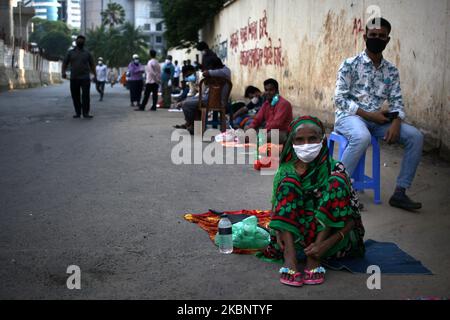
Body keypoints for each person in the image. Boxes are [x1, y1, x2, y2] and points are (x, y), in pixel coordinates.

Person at [260, 116, 365, 287]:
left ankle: (314, 257)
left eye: (312, 139)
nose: (306, 145)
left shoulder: (336, 168)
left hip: (330, 240)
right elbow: (276, 211)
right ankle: (290, 256)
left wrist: (324, 244)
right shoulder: (285, 170)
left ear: (322, 140)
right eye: (299, 140)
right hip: (293, 238)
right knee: (288, 183)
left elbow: (351, 218)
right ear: (292, 142)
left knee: (337, 181)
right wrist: (280, 232)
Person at [334, 17, 424, 211]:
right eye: (373, 35)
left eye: (381, 36)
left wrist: (397, 121)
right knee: (361, 136)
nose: (377, 39)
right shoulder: (349, 64)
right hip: (350, 117)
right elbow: (339, 100)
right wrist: (368, 114)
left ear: (387, 40)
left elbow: (397, 101)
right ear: (365, 36)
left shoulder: (391, 70)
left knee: (416, 137)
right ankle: (336, 191)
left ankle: (400, 192)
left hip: (377, 120)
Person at [175, 56, 231, 134]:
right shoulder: (223, 71)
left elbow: (205, 73)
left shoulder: (224, 71)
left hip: (217, 100)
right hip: (209, 98)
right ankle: (195, 126)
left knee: (186, 104)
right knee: (189, 101)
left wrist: (209, 74)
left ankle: (192, 125)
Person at [246, 78, 293, 144]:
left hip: (282, 132)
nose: (268, 93)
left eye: (271, 90)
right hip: (268, 130)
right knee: (248, 130)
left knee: (269, 135)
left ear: (277, 91)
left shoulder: (284, 104)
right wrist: (250, 128)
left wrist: (262, 133)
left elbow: (276, 124)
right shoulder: (266, 103)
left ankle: (256, 146)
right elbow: (257, 119)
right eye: (266, 90)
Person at [62, 35, 96, 119]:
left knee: (86, 96)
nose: (80, 41)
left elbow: (92, 65)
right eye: (79, 40)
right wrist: (63, 72)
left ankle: (85, 113)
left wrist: (95, 75)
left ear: (84, 42)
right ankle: (78, 112)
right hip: (74, 78)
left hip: (85, 78)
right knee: (75, 96)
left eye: (82, 40)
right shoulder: (70, 52)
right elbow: (65, 63)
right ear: (76, 42)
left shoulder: (87, 53)